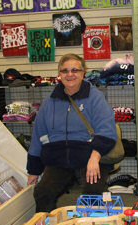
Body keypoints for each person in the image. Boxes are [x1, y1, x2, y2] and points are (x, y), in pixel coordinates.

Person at [26, 53, 117, 212]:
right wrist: (33, 170)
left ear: (83, 73)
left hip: (88, 157)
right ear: (59, 75)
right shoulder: (49, 102)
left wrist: (95, 157)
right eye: (65, 70)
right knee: (42, 192)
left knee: (93, 193)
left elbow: (107, 130)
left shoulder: (95, 97)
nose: (70, 74)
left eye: (75, 70)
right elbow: (38, 135)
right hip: (58, 160)